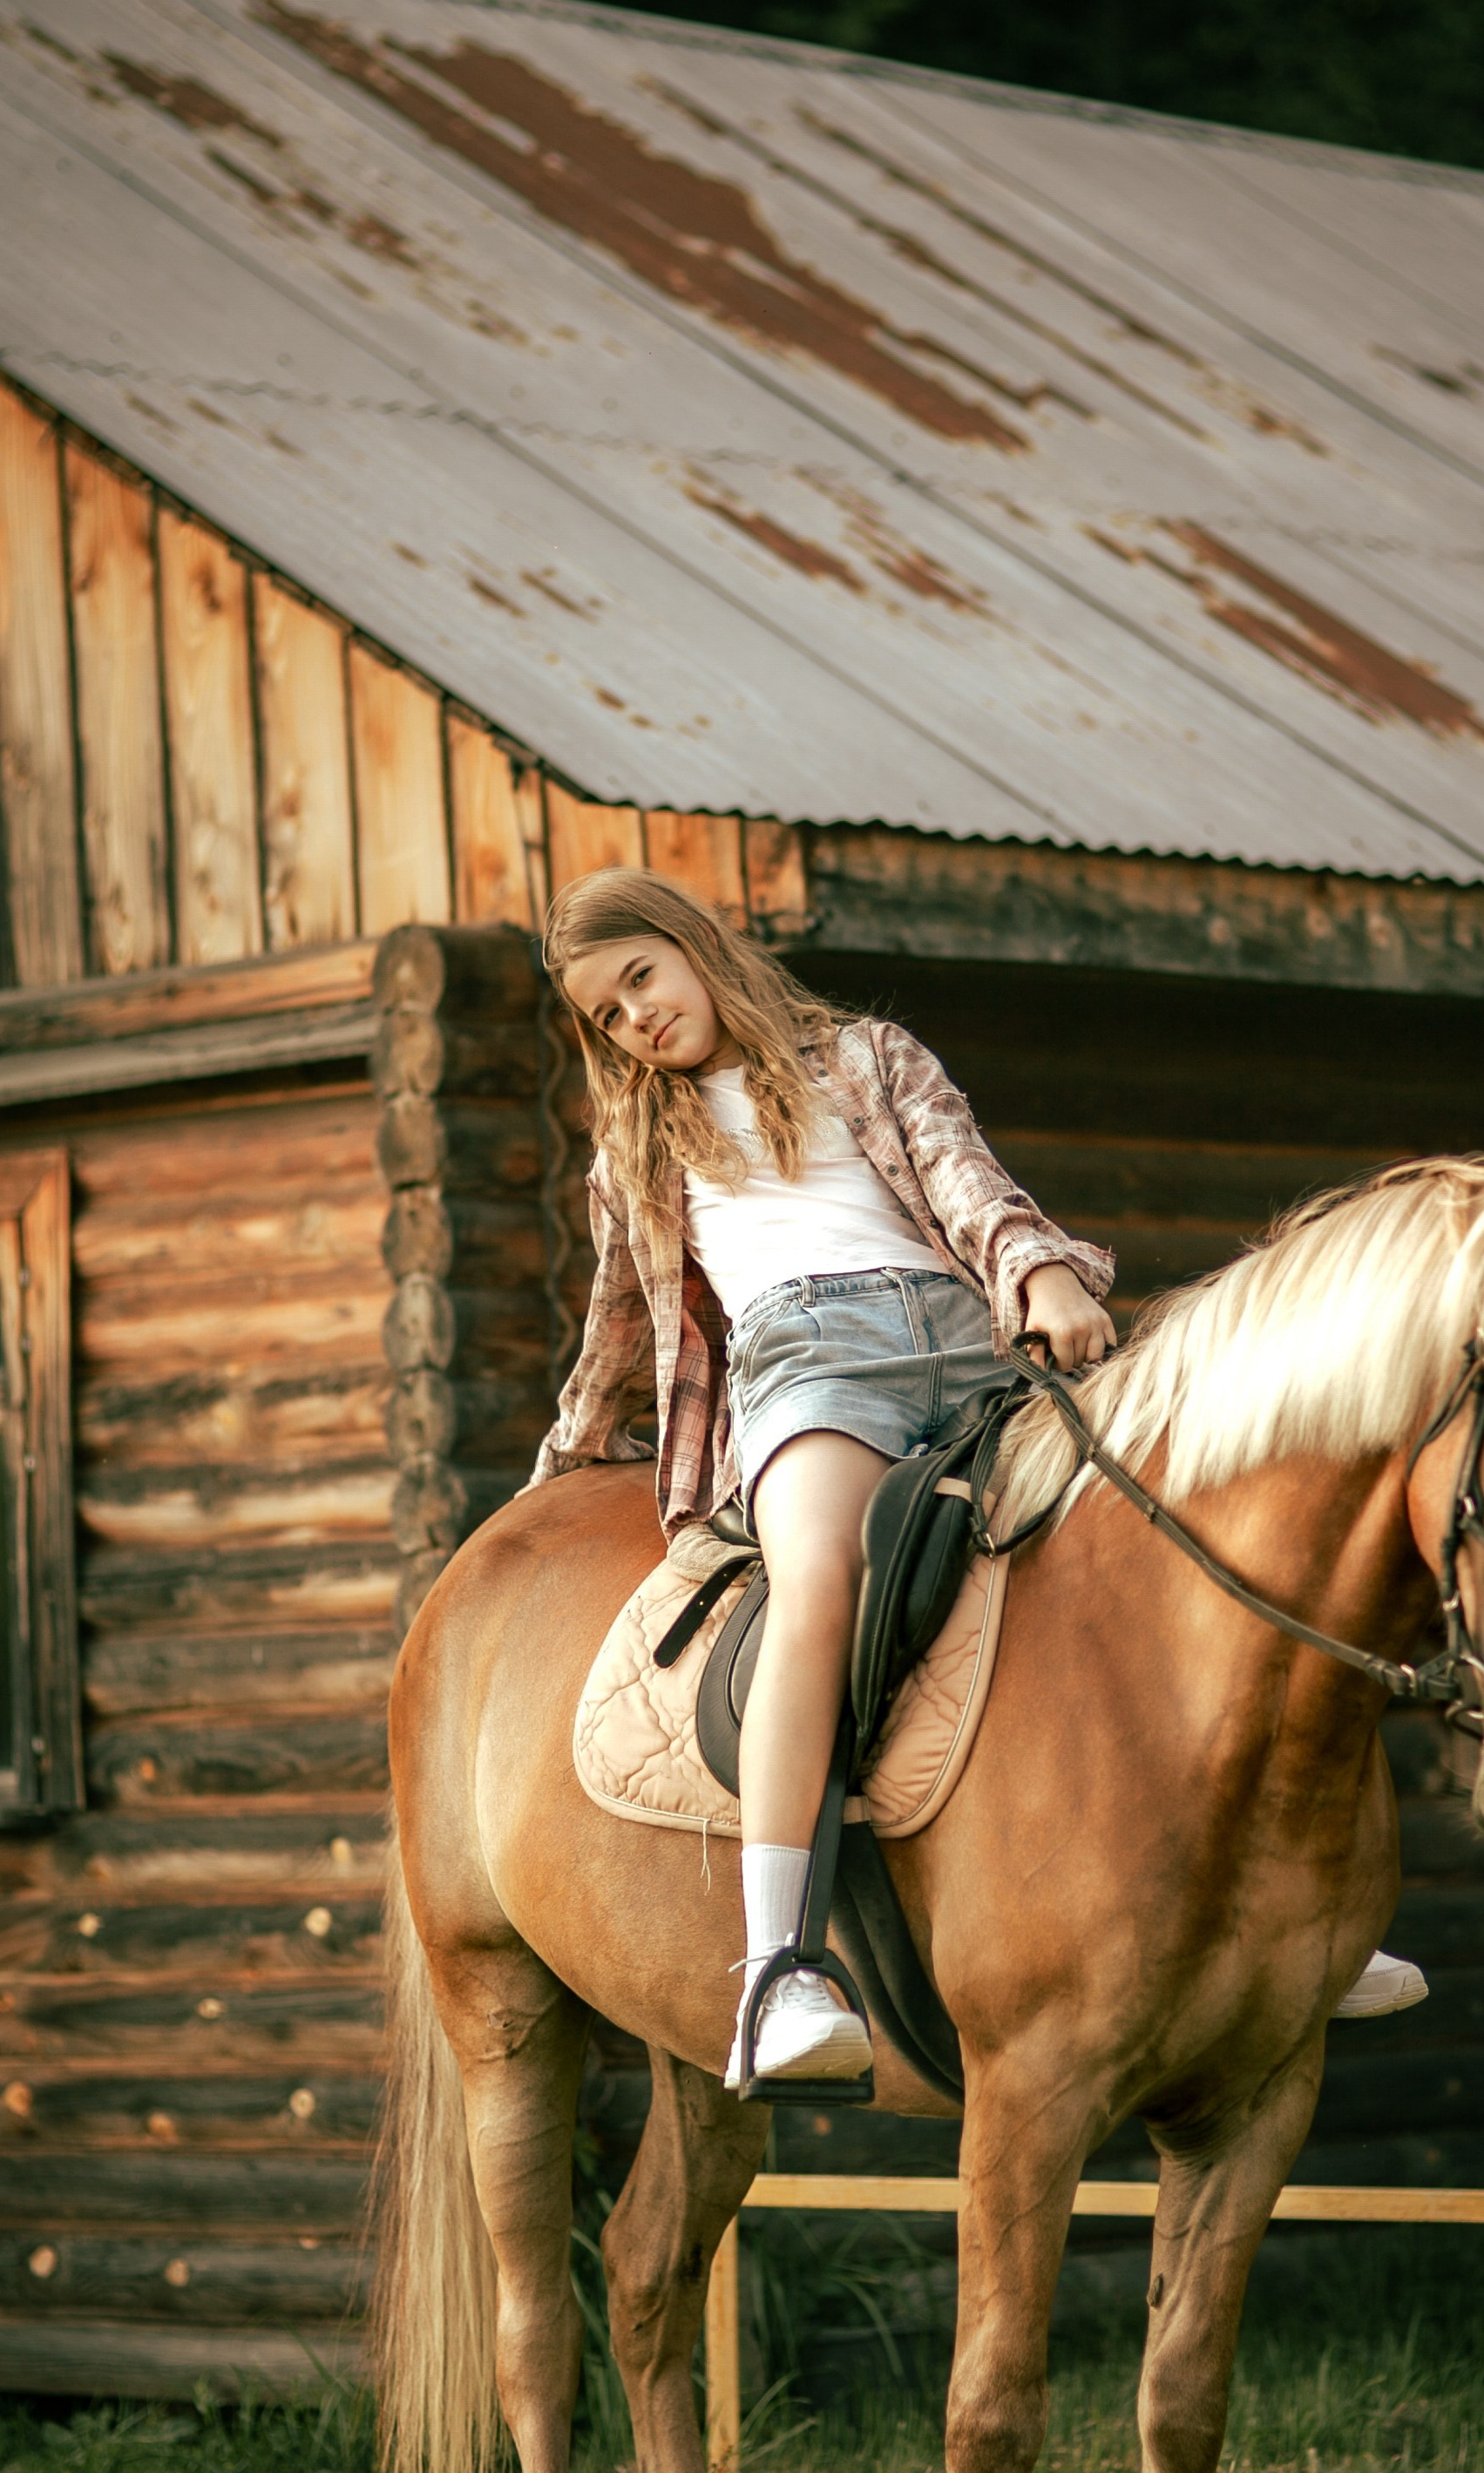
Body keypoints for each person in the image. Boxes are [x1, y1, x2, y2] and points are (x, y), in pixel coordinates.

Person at [532, 871, 1426, 2093]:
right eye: (608, 1016)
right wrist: (565, 1462)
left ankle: (1292, 1903)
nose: (637, 1018)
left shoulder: (866, 1056)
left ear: (693, 946)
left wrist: (1038, 1275)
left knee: (1142, 1549)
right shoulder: (637, 1153)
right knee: (819, 1579)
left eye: (641, 978)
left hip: (967, 1339)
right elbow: (615, 1335)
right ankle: (778, 1969)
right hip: (807, 1362)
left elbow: (965, 1181)